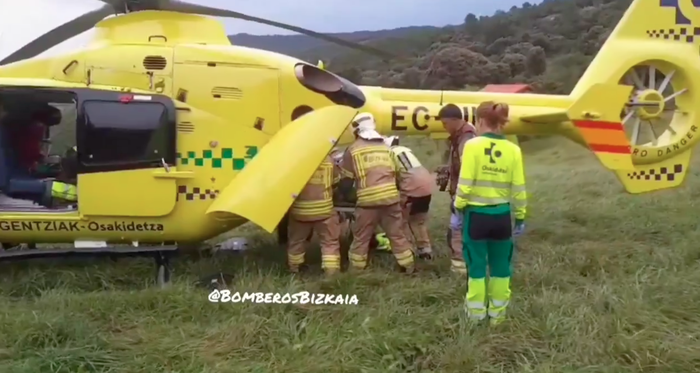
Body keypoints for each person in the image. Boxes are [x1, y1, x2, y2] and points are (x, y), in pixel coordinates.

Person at [454, 101, 527, 326]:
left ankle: (475, 317)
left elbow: (465, 183)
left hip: (476, 216)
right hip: (502, 217)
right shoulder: (514, 150)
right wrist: (521, 215)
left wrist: (458, 207)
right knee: (501, 267)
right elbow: (519, 186)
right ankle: (498, 316)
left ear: (481, 121)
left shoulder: (472, 146)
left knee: (476, 266)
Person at [339, 113, 415, 273]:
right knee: (397, 235)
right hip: (391, 198)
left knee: (361, 237)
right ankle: (408, 266)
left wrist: (347, 196)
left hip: (368, 202)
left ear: (356, 131)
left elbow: (346, 183)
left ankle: (356, 270)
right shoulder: (385, 148)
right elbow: (396, 174)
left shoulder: (353, 150)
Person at [286, 151, 342, 275]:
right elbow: (336, 181)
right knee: (329, 242)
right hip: (324, 209)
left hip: (300, 210)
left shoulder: (296, 160)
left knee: (296, 241)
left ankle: (294, 269)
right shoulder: (328, 160)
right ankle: (331, 272)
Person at [437, 103, 476, 275]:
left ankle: (460, 268)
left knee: (457, 230)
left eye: (445, 124)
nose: (444, 128)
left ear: (454, 120)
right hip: (463, 191)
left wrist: (459, 195)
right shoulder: (459, 136)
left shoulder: (466, 138)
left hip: (464, 193)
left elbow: (467, 167)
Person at [384, 135, 434, 259]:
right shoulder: (405, 150)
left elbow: (391, 176)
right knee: (419, 221)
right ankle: (425, 250)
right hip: (427, 186)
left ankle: (407, 252)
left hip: (412, 189)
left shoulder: (389, 154)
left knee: (402, 221)